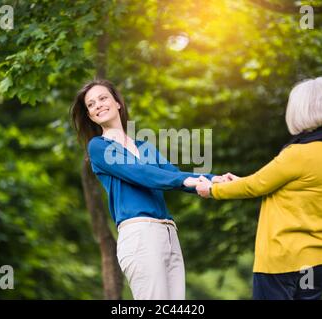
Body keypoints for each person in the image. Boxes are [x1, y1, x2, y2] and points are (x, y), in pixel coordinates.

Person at [195, 77, 322, 300]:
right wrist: (240, 181)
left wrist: (212, 189)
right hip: (321, 261)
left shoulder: (298, 154)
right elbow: (281, 183)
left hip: (284, 260)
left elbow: (255, 186)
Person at [70, 79, 222, 300]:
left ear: (117, 103)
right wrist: (185, 181)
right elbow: (143, 174)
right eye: (91, 104)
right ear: (90, 115)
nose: (98, 105)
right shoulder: (99, 147)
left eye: (103, 98)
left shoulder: (143, 147)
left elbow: (174, 174)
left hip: (168, 233)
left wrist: (215, 179)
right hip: (140, 234)